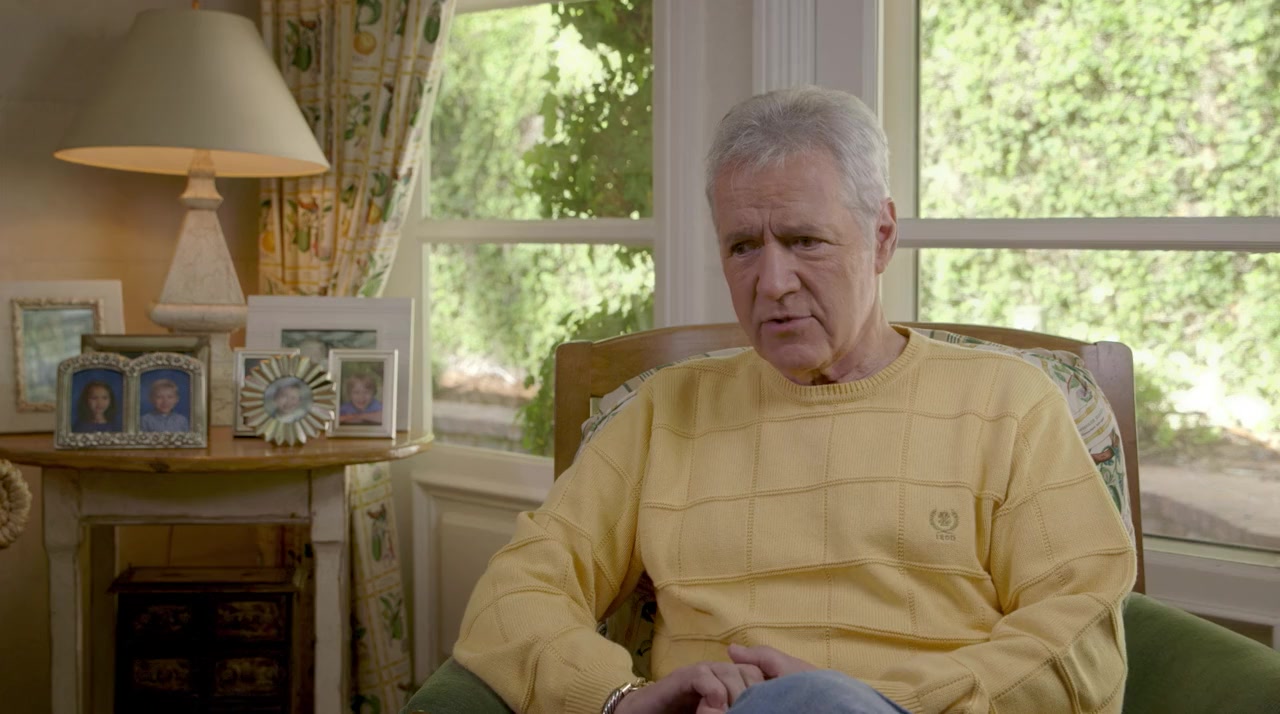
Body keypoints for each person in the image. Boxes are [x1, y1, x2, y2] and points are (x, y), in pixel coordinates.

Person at [452, 87, 1136, 714]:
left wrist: (874, 704)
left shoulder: (1009, 403)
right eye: (743, 247)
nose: (773, 282)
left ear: (882, 237)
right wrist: (619, 701)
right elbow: (515, 593)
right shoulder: (667, 411)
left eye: (804, 241)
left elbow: (1082, 632)